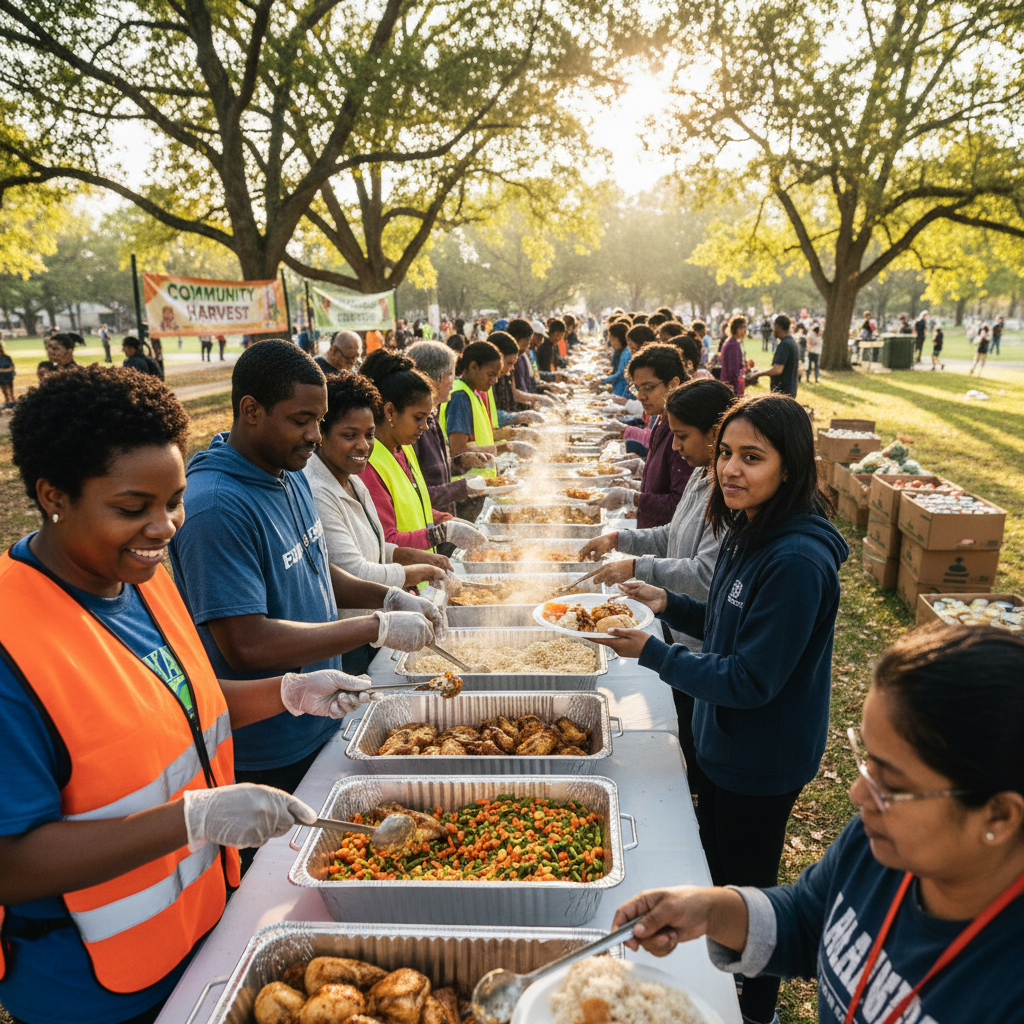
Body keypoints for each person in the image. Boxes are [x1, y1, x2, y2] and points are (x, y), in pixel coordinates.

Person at [0, 366, 378, 1024]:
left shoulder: (138, 578)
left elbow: (176, 711)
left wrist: (289, 693)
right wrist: (192, 820)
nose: (165, 526)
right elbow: (11, 864)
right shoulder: (12, 642)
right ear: (53, 494)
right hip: (92, 988)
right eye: (132, 508)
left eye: (173, 501)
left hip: (203, 928)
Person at [614, 624, 1024, 1024]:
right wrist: (711, 910)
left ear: (999, 816)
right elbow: (811, 921)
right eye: (867, 761)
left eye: (893, 785)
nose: (859, 796)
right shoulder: (878, 843)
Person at [594, 394, 847, 1024]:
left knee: (746, 890)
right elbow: (728, 627)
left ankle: (752, 1007)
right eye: (728, 453)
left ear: (790, 468)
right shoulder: (747, 528)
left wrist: (653, 653)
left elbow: (752, 678)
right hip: (723, 742)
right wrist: (669, 605)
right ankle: (718, 982)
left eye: (752, 458)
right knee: (714, 868)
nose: (730, 469)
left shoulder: (795, 560)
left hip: (760, 757)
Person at [168, 342, 439, 852]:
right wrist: (372, 627)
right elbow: (244, 643)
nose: (315, 435)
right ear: (251, 411)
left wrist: (390, 597)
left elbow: (318, 567)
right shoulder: (217, 508)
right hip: (270, 743)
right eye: (301, 421)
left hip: (324, 714)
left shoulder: (288, 473)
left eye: (318, 420)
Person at [580, 378, 736, 790]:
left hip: (703, 651)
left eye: (682, 436)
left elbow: (705, 573)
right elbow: (672, 535)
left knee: (698, 747)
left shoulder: (728, 495)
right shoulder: (703, 478)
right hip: (680, 633)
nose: (676, 446)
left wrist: (637, 566)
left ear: (716, 432)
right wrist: (620, 540)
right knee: (687, 736)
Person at [304, 371, 451, 674]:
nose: (363, 445)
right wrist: (415, 573)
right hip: (347, 637)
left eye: (368, 434)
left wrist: (421, 557)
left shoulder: (353, 480)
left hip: (373, 628)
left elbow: (373, 543)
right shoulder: (317, 491)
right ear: (322, 435)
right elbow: (352, 570)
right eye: (349, 435)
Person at [361, 349, 487, 553]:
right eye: (418, 418)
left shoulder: (404, 449)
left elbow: (415, 507)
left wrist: (447, 520)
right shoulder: (368, 464)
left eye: (427, 419)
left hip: (422, 578)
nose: (425, 427)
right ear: (390, 412)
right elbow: (387, 543)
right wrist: (441, 534)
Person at [589, 343, 691, 528]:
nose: (641, 396)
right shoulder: (661, 419)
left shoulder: (683, 434)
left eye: (648, 388)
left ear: (673, 384)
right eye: (637, 389)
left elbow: (679, 504)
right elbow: (662, 484)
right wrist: (640, 471)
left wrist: (631, 498)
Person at [406, 340, 492, 516]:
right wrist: (464, 487)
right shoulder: (412, 426)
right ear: (441, 377)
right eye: (453, 374)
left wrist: (463, 462)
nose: (454, 381)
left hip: (443, 521)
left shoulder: (432, 416)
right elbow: (416, 493)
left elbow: (436, 468)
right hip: (426, 528)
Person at [439, 340, 533, 462]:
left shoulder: (473, 394)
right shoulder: (460, 397)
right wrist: (505, 448)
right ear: (473, 367)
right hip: (469, 478)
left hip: (479, 477)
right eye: (490, 375)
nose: (495, 381)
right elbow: (458, 450)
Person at [750, 314, 800, 398]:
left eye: (774, 327)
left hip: (782, 393)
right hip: (790, 390)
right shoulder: (792, 342)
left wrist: (758, 374)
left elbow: (777, 370)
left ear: (777, 327)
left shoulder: (784, 344)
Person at [718, 316, 747, 394]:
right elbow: (732, 369)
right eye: (743, 327)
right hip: (732, 385)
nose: (745, 330)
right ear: (737, 329)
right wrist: (735, 388)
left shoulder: (731, 342)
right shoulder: (733, 344)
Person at [0, 340, 15, 408]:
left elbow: (12, 367)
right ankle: (8, 400)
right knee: (5, 388)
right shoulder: (6, 357)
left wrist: (4, 370)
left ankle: (11, 400)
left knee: (9, 388)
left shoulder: (7, 357)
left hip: (8, 376)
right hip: (2, 376)